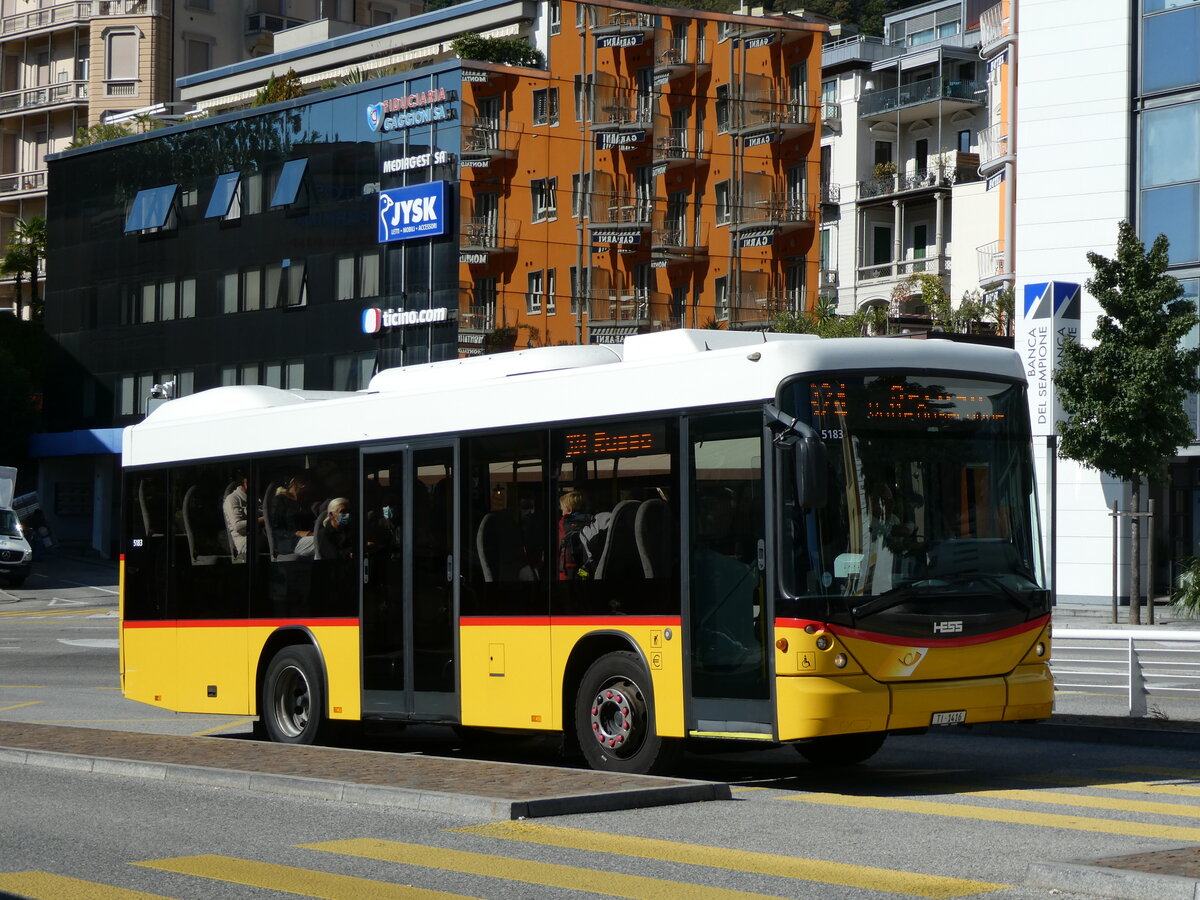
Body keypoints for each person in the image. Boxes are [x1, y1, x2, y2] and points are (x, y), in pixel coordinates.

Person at [270, 475, 315, 558]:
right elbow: (276, 529)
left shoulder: (304, 501)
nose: (306, 486)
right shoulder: (280, 500)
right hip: (289, 542)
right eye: (303, 482)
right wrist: (296, 533)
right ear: (294, 482)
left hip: (307, 538)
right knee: (321, 542)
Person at [222, 476, 251, 561]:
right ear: (245, 481)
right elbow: (238, 526)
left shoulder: (257, 498)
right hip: (245, 543)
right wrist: (262, 520)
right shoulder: (232, 499)